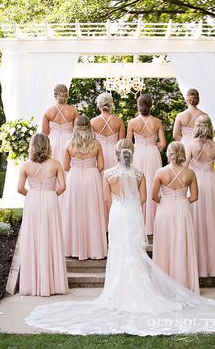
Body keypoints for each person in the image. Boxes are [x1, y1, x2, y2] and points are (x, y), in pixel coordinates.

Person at [25, 139, 215, 335]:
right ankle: (138, 290)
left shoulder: (108, 174)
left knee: (118, 249)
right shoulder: (139, 174)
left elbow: (106, 199)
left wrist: (118, 203)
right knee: (135, 249)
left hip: (117, 214)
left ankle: (117, 291)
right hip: (133, 214)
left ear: (116, 154)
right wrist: (131, 201)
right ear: (132, 154)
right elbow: (143, 199)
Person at [18, 133, 68, 296]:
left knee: (33, 238)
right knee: (50, 237)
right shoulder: (55, 164)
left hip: (32, 202)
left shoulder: (26, 165)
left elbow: (20, 188)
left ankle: (33, 284)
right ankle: (52, 284)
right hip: (50, 201)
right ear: (48, 145)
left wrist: (33, 195)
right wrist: (50, 195)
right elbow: (62, 187)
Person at [152, 141, 199, 293]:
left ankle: (163, 285)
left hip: (165, 209)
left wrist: (164, 203)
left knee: (165, 244)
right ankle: (183, 283)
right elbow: (195, 196)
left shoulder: (160, 172)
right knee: (181, 243)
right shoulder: (190, 173)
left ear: (169, 153)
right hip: (183, 208)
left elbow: (153, 196)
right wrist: (182, 201)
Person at [186, 115, 215, 277]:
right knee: (211, 221)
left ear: (196, 127)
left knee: (196, 221)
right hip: (210, 183)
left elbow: (185, 168)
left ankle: (197, 266)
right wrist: (209, 173)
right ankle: (213, 267)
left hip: (195, 182)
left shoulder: (190, 145)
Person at [63, 115, 107, 260]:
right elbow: (101, 166)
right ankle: (94, 249)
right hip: (91, 178)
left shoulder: (69, 144)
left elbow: (65, 166)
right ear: (89, 127)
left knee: (74, 210)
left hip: (74, 178)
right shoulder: (96, 144)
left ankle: (73, 248)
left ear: (75, 127)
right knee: (92, 210)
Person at [127, 93, 166, 235]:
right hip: (152, 154)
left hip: (138, 154)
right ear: (151, 106)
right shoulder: (157, 122)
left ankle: (139, 222)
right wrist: (153, 144)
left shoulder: (132, 122)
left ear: (138, 106)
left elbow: (127, 143)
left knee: (137, 186)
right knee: (152, 184)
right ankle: (153, 223)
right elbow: (163, 143)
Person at [42, 84, 79, 165]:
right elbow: (77, 130)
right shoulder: (73, 111)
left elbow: (45, 133)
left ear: (55, 94)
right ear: (67, 94)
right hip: (69, 141)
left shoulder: (48, 111)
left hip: (53, 141)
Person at [91, 92, 125, 170]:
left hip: (99, 153)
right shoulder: (119, 121)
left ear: (99, 105)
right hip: (114, 154)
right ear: (111, 105)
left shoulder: (93, 121)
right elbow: (121, 143)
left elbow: (91, 142)